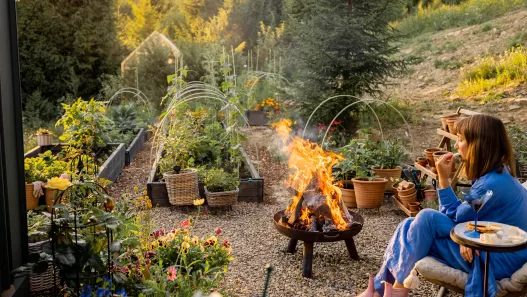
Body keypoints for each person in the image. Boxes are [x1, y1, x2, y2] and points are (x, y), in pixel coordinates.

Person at [357, 114, 527, 297]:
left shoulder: (491, 185)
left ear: (478, 145)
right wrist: (466, 234)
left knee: (425, 219)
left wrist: (444, 180)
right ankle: (383, 289)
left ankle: (390, 290)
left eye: (461, 140)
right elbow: (461, 218)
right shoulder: (498, 176)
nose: (455, 145)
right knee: (409, 225)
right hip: (496, 247)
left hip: (498, 258)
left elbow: (454, 216)